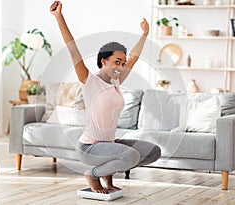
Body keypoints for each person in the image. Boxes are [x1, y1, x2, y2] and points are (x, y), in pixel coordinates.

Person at [50, 1, 161, 194]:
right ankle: (93, 174)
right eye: (117, 62)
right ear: (103, 61)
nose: (121, 66)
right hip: (89, 148)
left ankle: (108, 178)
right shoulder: (89, 81)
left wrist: (144, 35)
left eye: (123, 62)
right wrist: (59, 17)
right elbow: (72, 48)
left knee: (153, 151)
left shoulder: (116, 81)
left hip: (108, 145)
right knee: (131, 156)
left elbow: (133, 57)